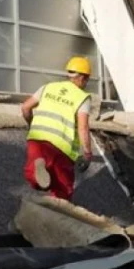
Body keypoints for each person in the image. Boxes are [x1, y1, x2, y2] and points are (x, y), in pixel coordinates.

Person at [21, 56, 93, 201]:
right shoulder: (82, 97)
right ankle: (60, 213)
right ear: (82, 78)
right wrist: (87, 152)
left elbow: (25, 107)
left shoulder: (48, 87)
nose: (86, 83)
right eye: (87, 80)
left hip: (37, 138)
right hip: (61, 146)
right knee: (63, 188)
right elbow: (83, 127)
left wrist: (31, 124)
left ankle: (37, 174)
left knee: (33, 176)